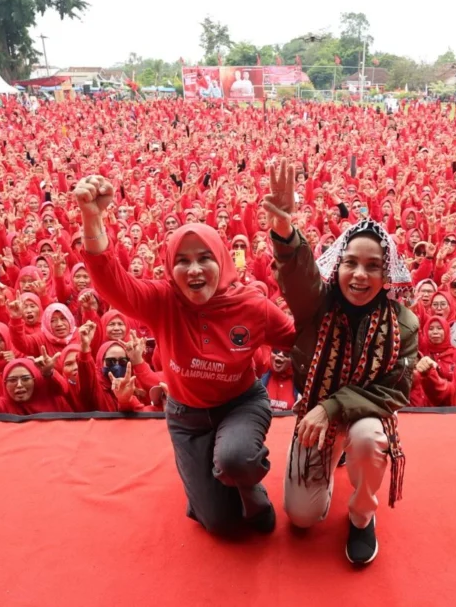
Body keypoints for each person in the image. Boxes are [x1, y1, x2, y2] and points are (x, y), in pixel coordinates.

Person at [73, 173, 295, 537]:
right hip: (186, 416)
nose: (194, 270)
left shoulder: (253, 307)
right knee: (220, 525)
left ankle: (251, 489)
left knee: (236, 460)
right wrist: (92, 218)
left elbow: (300, 341)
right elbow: (111, 280)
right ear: (170, 269)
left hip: (240, 404)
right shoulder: (162, 302)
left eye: (205, 258)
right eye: (183, 261)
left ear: (223, 261)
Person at [264, 159, 417, 565]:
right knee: (301, 517)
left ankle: (362, 516)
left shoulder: (404, 324)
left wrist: (331, 406)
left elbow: (394, 391)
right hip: (315, 415)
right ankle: (332, 463)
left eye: (373, 266)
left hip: (357, 414)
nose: (360, 275)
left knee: (368, 438)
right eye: (351, 262)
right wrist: (284, 230)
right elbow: (298, 277)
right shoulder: (318, 303)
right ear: (338, 265)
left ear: (387, 275)